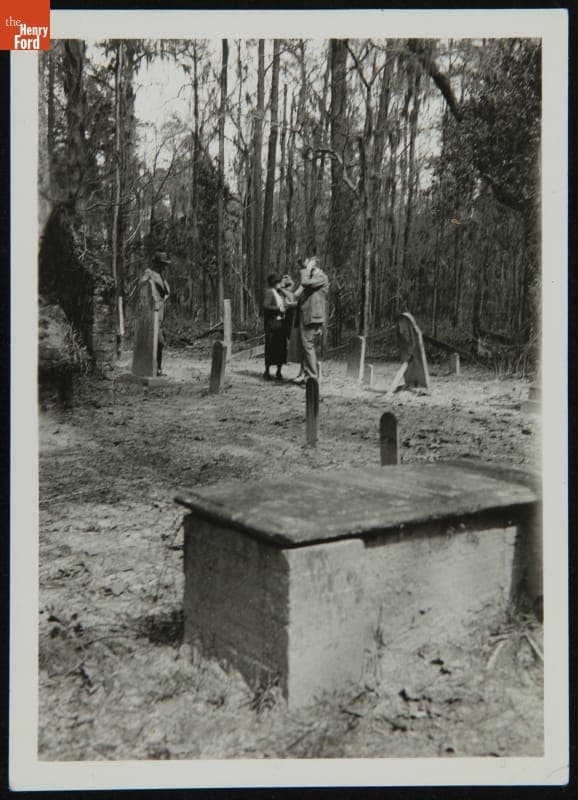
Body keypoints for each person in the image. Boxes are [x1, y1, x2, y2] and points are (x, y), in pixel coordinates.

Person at [293, 256, 329, 383]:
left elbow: (305, 283)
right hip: (306, 315)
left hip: (313, 317)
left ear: (315, 266)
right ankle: (306, 375)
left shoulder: (321, 277)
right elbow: (298, 293)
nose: (305, 268)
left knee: (308, 346)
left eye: (308, 265)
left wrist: (307, 269)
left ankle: (313, 377)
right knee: (305, 346)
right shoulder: (313, 278)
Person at [141, 251, 171, 375]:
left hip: (159, 315)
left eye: (165, 264)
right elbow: (143, 285)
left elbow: (167, 292)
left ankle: (157, 368)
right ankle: (151, 368)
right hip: (151, 313)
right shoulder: (149, 273)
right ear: (157, 263)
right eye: (162, 264)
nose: (164, 267)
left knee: (159, 342)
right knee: (159, 341)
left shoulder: (162, 276)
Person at [263, 273, 290, 380]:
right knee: (270, 347)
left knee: (281, 348)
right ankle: (267, 371)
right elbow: (265, 306)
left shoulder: (281, 293)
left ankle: (279, 371)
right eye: (279, 282)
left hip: (281, 325)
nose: (280, 284)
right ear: (274, 283)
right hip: (272, 325)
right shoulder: (270, 292)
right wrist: (278, 309)